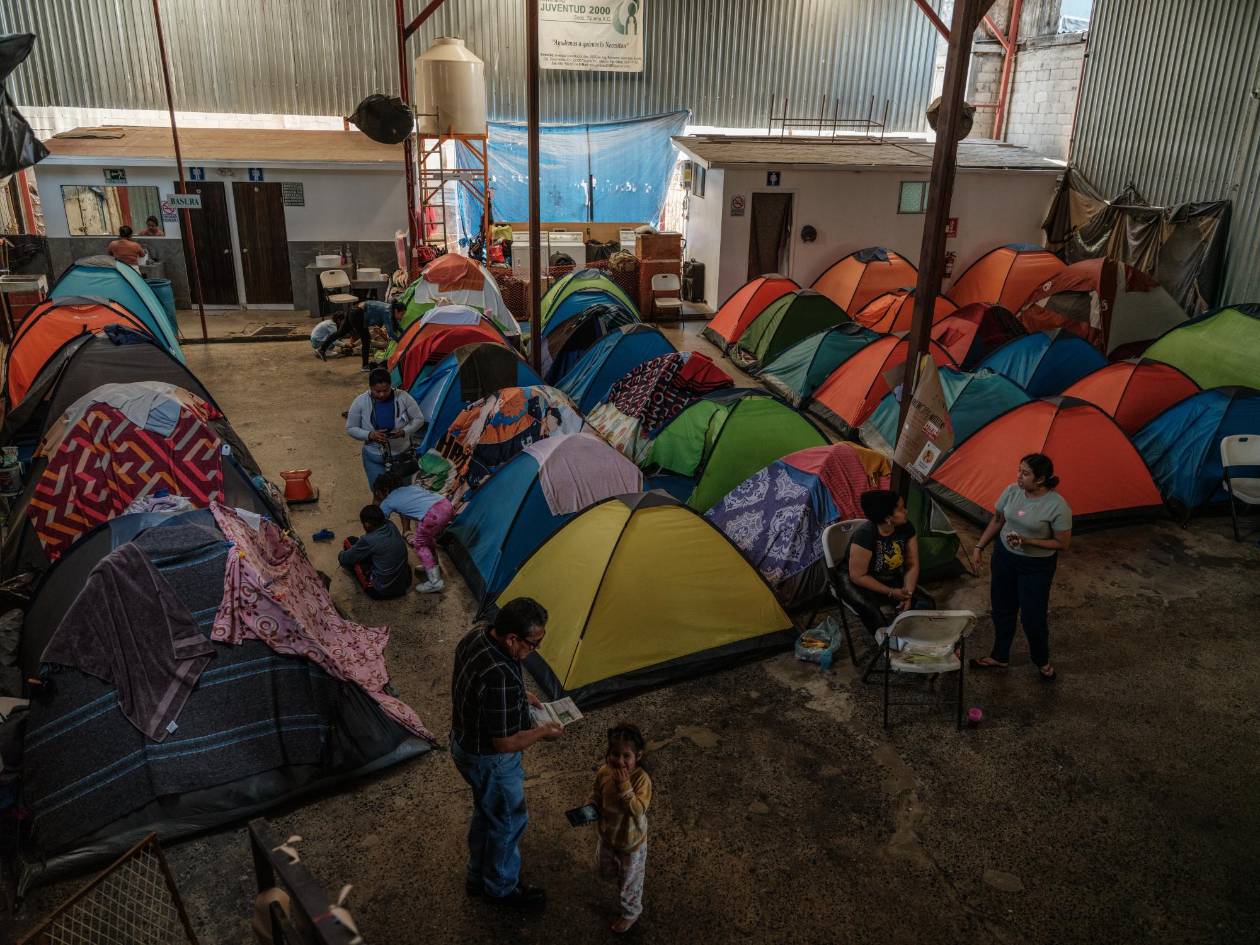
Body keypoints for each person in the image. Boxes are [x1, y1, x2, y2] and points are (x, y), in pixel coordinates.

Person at [450, 598, 563, 908]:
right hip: (490, 760)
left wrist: (520, 693)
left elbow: (478, 686)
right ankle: (500, 888)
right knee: (509, 821)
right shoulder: (498, 673)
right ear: (512, 638)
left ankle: (477, 875)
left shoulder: (479, 634)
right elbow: (505, 743)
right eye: (534, 643)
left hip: (463, 741)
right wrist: (543, 731)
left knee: (487, 813)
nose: (535, 649)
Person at [970, 453, 1072, 682]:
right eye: (1019, 471)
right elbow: (998, 521)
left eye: (1025, 473)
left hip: (1036, 566)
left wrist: (1029, 541)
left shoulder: (1057, 506)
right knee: (1001, 609)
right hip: (1005, 558)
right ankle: (999, 655)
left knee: (1032, 617)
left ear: (1040, 479)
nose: (1019, 476)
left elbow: (1062, 544)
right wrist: (979, 546)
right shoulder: (1011, 491)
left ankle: (1042, 660)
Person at [840, 488, 936, 634]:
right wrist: (891, 592)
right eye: (900, 509)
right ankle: (887, 648)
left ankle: (913, 639)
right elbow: (858, 576)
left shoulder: (906, 528)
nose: (906, 511)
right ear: (887, 518)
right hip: (858, 579)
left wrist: (907, 594)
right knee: (873, 614)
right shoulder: (864, 535)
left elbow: (912, 564)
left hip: (888, 575)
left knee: (926, 604)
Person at [589, 722, 652, 934]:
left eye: (627, 756)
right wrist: (590, 807)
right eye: (615, 754)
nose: (620, 761)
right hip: (607, 836)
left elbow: (638, 809)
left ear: (638, 756)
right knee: (603, 870)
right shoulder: (604, 772)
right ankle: (622, 877)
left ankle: (630, 912)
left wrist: (625, 787)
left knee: (629, 884)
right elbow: (597, 794)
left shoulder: (641, 780)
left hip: (631, 843)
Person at [373, 471, 454, 593]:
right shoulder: (411, 487)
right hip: (446, 505)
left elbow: (378, 520)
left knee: (420, 545)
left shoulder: (388, 501)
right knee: (427, 540)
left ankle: (435, 582)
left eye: (377, 493)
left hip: (432, 515)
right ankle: (433, 566)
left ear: (384, 489)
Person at [345, 368, 425, 489]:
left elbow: (419, 419)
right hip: (374, 457)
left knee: (403, 493)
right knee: (379, 493)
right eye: (377, 391)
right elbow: (350, 428)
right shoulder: (360, 402)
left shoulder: (403, 397)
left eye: (386, 390)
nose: (382, 394)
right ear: (370, 387)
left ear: (391, 386)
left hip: (401, 457)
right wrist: (370, 435)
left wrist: (404, 431)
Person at [336, 504, 411, 599]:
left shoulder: (368, 540)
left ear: (367, 524)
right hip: (404, 584)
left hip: (380, 591)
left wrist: (340, 555)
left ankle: (369, 582)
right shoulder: (391, 525)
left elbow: (344, 559)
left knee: (349, 542)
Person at [317, 304, 372, 369]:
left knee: (339, 333)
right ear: (338, 320)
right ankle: (365, 365)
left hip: (353, 309)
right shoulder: (332, 325)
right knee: (366, 339)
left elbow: (352, 334)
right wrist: (346, 345)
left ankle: (322, 349)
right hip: (358, 312)